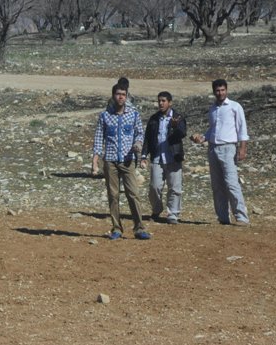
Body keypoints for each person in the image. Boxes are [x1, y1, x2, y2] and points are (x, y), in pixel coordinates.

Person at [92, 83, 151, 240]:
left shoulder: (134, 115)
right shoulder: (105, 116)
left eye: (123, 94)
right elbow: (98, 138)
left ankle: (139, 228)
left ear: (126, 96)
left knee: (133, 194)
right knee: (113, 195)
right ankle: (116, 228)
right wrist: (95, 161)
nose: (120, 97)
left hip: (127, 160)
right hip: (110, 161)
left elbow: (140, 133)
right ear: (113, 95)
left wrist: (138, 144)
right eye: (118, 94)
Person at [191, 79, 250, 226]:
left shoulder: (235, 107)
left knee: (231, 183)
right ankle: (223, 217)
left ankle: (241, 217)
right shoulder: (213, 109)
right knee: (217, 185)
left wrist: (242, 149)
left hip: (228, 148)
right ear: (214, 92)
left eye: (222, 90)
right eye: (217, 90)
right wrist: (202, 138)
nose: (220, 93)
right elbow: (213, 129)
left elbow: (242, 129)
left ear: (226, 90)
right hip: (213, 148)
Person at [140, 92, 187, 224]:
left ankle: (173, 214)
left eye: (164, 101)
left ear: (170, 102)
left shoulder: (178, 117)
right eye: (159, 101)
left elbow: (182, 133)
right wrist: (144, 155)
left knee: (175, 188)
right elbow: (148, 139)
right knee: (154, 187)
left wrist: (174, 127)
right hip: (157, 158)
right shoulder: (154, 119)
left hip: (173, 157)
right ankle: (157, 209)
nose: (161, 103)